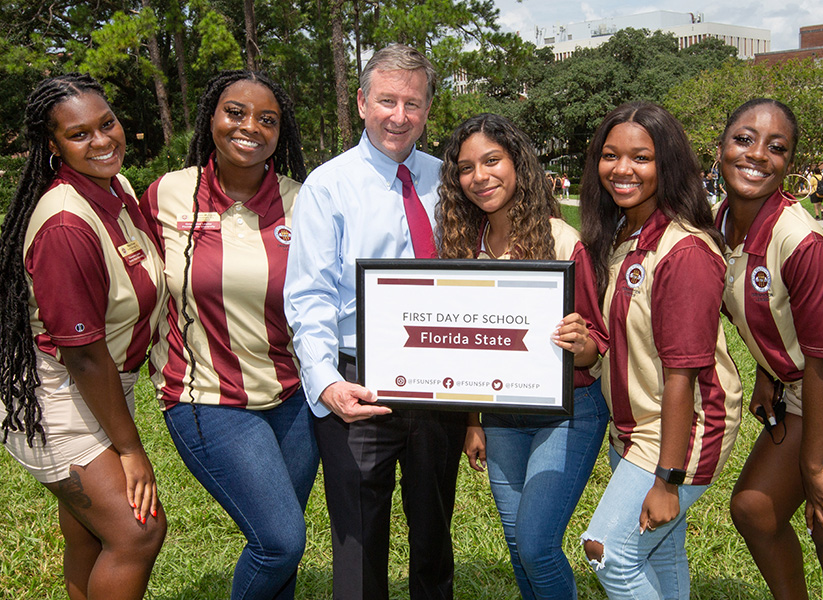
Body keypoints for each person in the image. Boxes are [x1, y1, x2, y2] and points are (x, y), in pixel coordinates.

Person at [284, 44, 466, 599]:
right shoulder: (328, 185)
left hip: (441, 384)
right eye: (386, 100)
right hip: (358, 383)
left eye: (413, 103)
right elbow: (309, 297)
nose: (399, 116)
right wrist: (328, 384)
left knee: (434, 531)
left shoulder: (451, 181)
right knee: (359, 543)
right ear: (362, 102)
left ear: (428, 109)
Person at [0, 74, 166, 600]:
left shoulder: (118, 188)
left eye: (106, 123)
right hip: (53, 391)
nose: (102, 140)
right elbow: (82, 355)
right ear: (52, 145)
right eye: (79, 134)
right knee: (137, 530)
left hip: (98, 381)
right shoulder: (66, 224)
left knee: (90, 527)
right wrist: (130, 450)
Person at [139, 70, 316, 600]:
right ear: (211, 117)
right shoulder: (169, 193)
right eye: (235, 112)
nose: (250, 127)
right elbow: (136, 280)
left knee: (280, 540)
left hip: (295, 401)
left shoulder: (303, 201)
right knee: (281, 542)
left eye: (268, 119)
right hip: (207, 399)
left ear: (281, 133)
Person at [717, 98, 823, 600]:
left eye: (777, 147)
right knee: (754, 509)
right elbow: (755, 311)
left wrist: (813, 468)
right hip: (803, 381)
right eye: (744, 139)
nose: (757, 155)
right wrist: (768, 372)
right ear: (720, 147)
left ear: (790, 165)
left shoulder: (798, 239)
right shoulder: (716, 223)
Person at [437, 113, 609, 599]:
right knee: (517, 543)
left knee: (536, 544)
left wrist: (580, 343)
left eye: (492, 161)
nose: (480, 177)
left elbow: (596, 344)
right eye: (467, 168)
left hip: (566, 412)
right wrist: (473, 419)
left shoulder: (561, 240)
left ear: (518, 165)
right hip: (500, 416)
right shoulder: (463, 249)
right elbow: (465, 349)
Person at [577, 102, 742, 600]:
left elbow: (682, 375)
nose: (622, 169)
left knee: (609, 551)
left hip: (682, 427)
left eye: (640, 158)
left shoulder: (684, 251)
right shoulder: (622, 237)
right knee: (661, 552)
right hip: (635, 424)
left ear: (666, 165)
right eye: (610, 155)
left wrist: (668, 481)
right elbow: (613, 344)